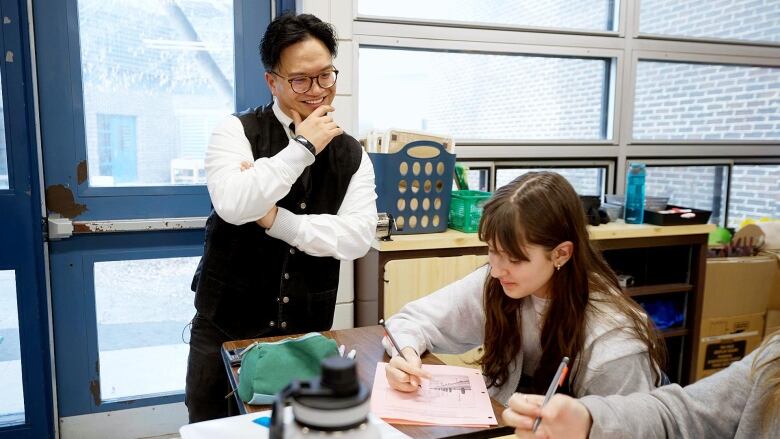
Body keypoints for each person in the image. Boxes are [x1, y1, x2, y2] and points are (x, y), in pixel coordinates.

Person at [186, 12, 377, 423]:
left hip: (304, 336)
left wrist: (276, 220)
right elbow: (235, 205)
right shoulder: (234, 132)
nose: (317, 90)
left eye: (326, 76)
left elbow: (357, 237)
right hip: (225, 329)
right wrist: (305, 145)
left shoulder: (352, 154)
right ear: (272, 81)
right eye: (300, 80)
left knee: (295, 429)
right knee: (212, 426)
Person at [383, 171, 666, 405]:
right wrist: (406, 355)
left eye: (516, 259)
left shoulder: (612, 341)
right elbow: (411, 321)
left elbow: (630, 427)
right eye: (493, 251)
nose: (496, 270)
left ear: (561, 254)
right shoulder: (498, 282)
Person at [502, 330, 780, 438]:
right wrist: (589, 421)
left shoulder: (612, 347)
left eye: (515, 258)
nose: (499, 267)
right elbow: (681, 414)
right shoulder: (774, 357)